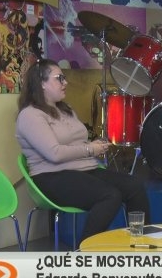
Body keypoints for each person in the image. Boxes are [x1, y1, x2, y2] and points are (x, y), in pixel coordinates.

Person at [16, 58, 150, 243]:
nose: (65, 82)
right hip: (52, 176)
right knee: (110, 196)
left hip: (84, 169)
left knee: (134, 186)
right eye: (59, 78)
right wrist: (89, 149)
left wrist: (95, 146)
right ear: (42, 84)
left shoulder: (66, 109)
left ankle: (140, 242)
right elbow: (54, 153)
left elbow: (76, 142)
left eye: (64, 78)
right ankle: (84, 250)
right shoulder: (30, 115)